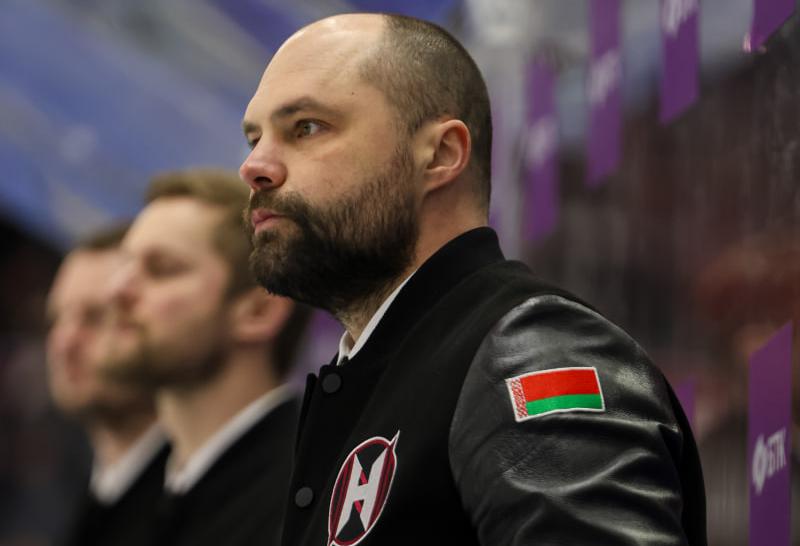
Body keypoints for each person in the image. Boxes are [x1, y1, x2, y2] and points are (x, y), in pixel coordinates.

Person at [239, 13, 706, 546]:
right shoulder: (381, 376)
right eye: (255, 138)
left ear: (441, 154)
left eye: (306, 127)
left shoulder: (536, 351)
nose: (254, 166)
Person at [102, 169, 311, 546]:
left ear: (258, 312)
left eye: (161, 269)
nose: (117, 289)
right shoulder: (148, 495)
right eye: (124, 265)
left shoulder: (304, 495)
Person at [45, 224, 168, 546]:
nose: (64, 342)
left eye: (97, 317)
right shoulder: (77, 488)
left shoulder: (195, 502)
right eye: (56, 317)